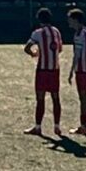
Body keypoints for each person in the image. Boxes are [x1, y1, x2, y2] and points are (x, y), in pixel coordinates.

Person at [24, 7, 64, 136]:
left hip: (42, 70)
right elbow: (60, 49)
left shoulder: (38, 33)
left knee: (40, 98)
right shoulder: (56, 31)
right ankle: (57, 126)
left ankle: (38, 126)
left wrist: (34, 53)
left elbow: (27, 48)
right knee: (55, 97)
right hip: (54, 69)